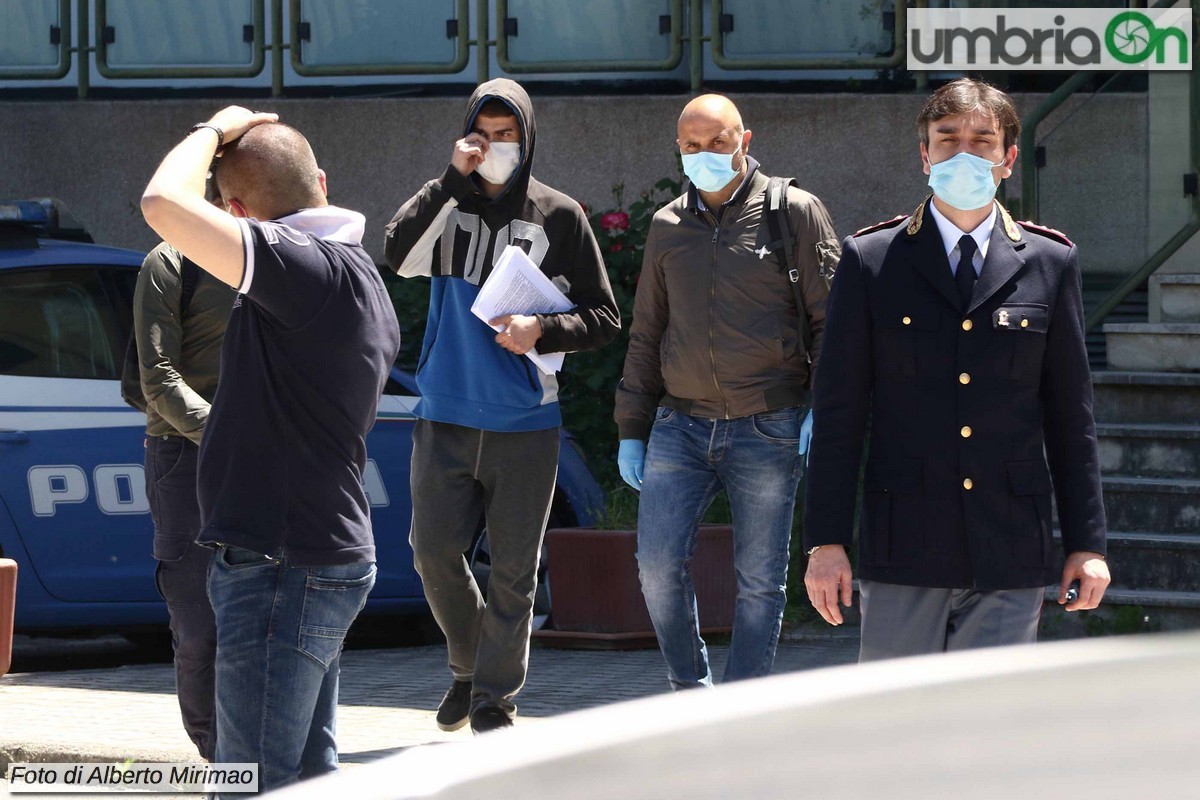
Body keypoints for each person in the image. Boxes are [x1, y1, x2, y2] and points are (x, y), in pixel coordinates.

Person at [802, 78, 1111, 661]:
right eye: (947, 140)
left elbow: (1072, 419)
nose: (963, 153)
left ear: (1008, 158)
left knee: (991, 734)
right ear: (924, 154)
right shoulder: (872, 260)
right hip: (906, 545)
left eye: (982, 141)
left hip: (1010, 545)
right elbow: (839, 415)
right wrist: (825, 541)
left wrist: (1086, 543)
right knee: (898, 727)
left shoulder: (1049, 262)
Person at [141, 107, 400, 792]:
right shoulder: (354, 274)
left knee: (249, 779)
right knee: (305, 779)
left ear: (235, 211)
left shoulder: (301, 268)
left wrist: (210, 130)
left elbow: (161, 204)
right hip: (307, 556)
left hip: (283, 564)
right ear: (320, 179)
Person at [383, 78, 619, 734]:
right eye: (481, 135)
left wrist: (542, 331)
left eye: (506, 134)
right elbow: (395, 254)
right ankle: (468, 664)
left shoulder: (559, 215)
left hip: (525, 423)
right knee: (431, 553)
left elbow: (604, 317)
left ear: (529, 136)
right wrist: (449, 178)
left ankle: (493, 701)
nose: (494, 146)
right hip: (446, 413)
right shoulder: (446, 207)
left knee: (515, 573)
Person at [614, 94, 839, 690]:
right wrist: (631, 430)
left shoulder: (793, 211)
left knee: (760, 580)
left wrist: (823, 405)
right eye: (692, 145)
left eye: (718, 141)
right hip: (678, 426)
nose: (706, 153)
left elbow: (833, 322)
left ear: (746, 138)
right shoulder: (667, 225)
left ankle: (742, 708)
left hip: (768, 423)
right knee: (656, 568)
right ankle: (691, 693)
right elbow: (647, 333)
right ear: (678, 148)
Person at [132, 184, 235, 760]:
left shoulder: (277, 254)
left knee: (268, 620)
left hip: (264, 456)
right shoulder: (169, 261)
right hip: (184, 455)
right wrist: (230, 437)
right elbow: (159, 380)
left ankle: (258, 756)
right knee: (198, 624)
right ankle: (217, 757)